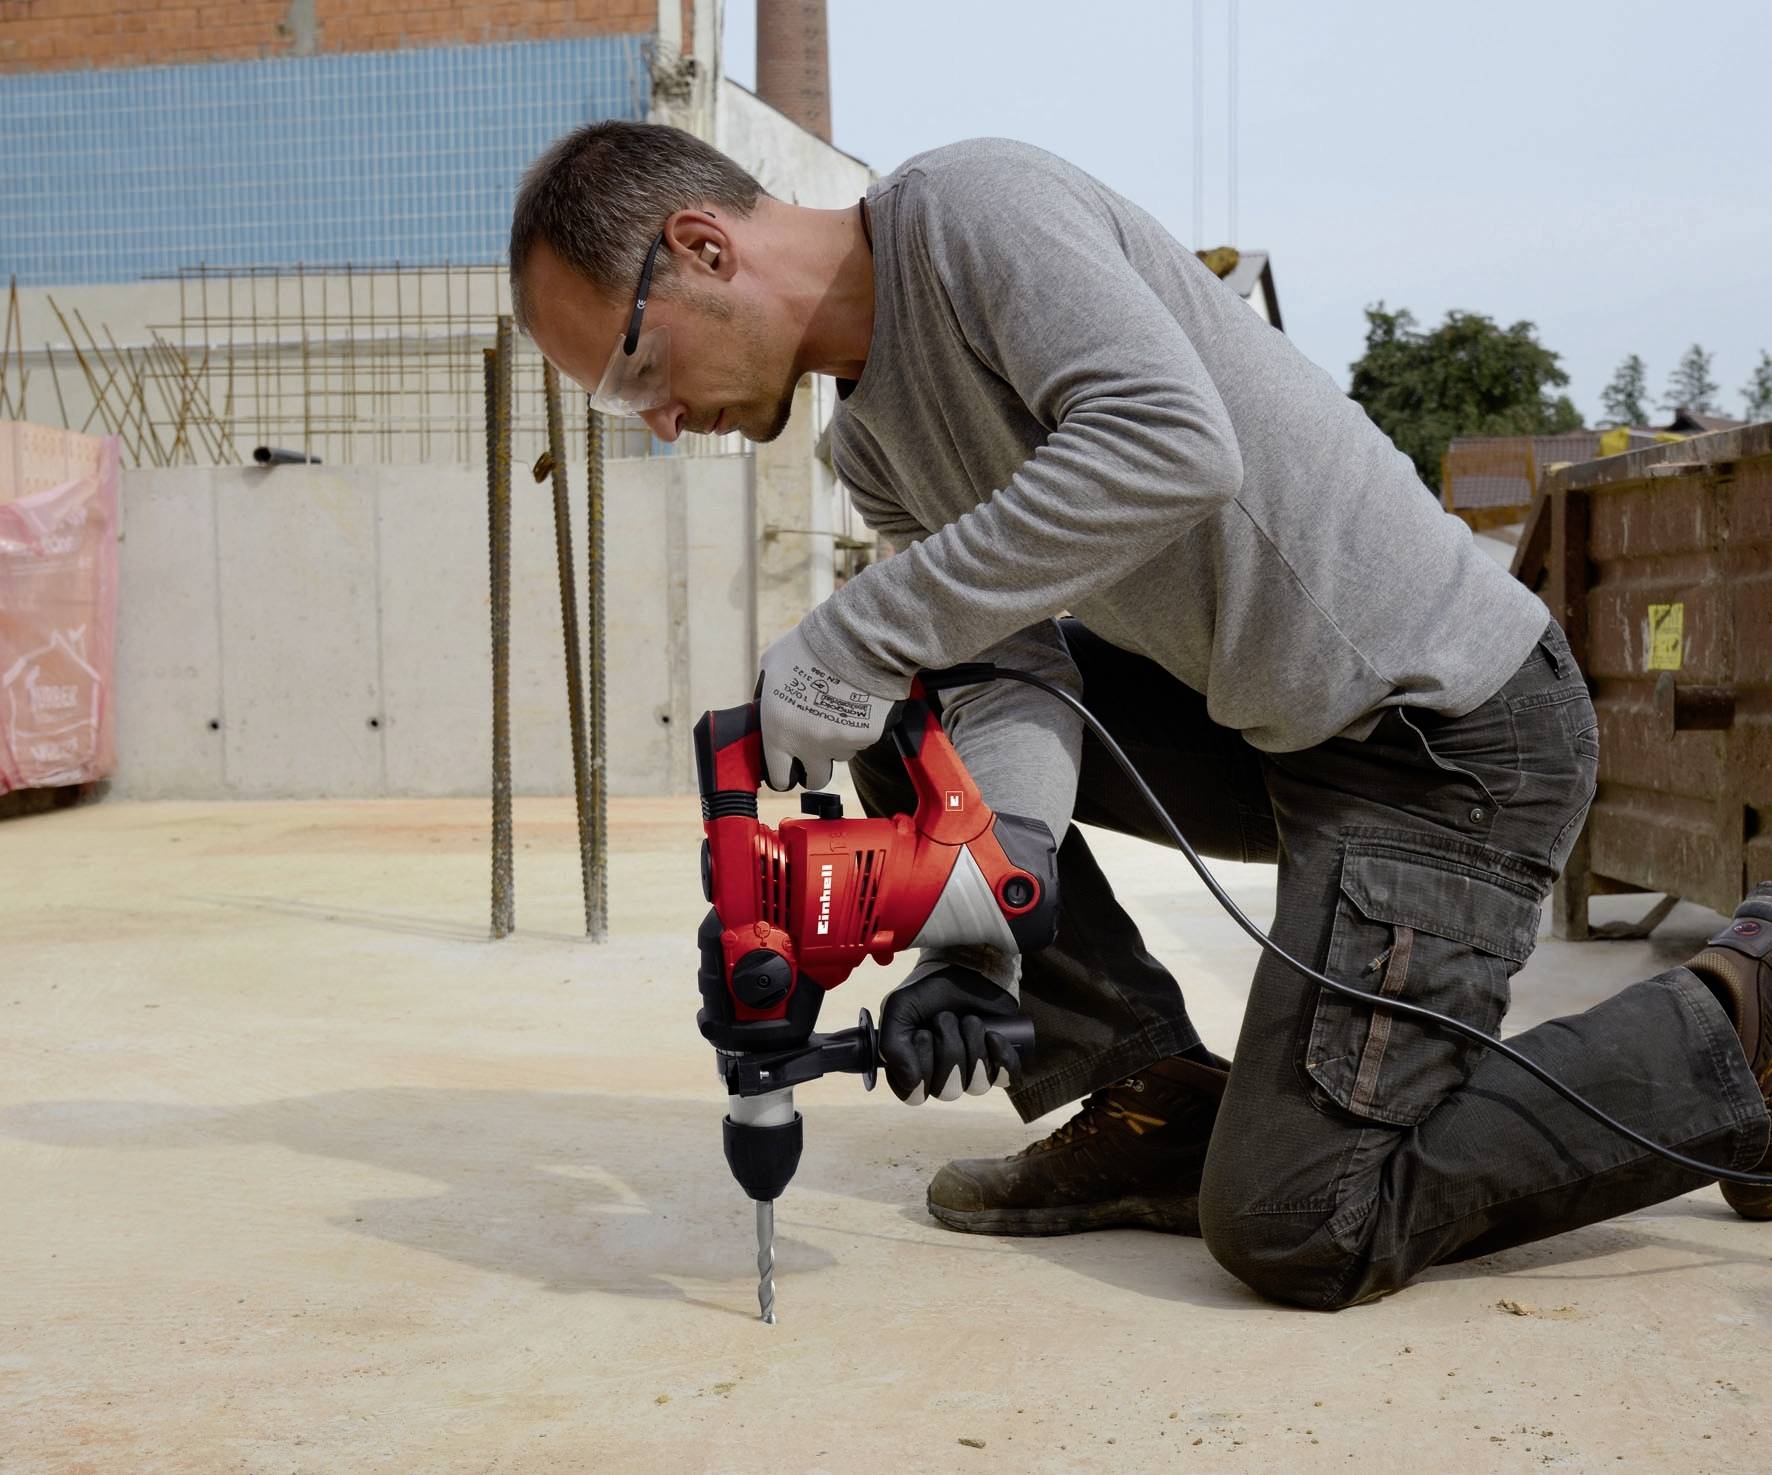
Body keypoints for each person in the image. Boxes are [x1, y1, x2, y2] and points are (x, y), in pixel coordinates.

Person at [508, 122, 1772, 1309]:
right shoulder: (874, 453)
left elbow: (1171, 445)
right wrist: (965, 941)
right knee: (916, 704)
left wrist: (863, 622)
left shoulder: (971, 212)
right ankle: (1147, 1092)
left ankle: (1743, 1009)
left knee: (1302, 1219)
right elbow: (1010, 686)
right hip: (1275, 735)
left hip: (1446, 738)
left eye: (637, 370)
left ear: (701, 248)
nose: (664, 423)